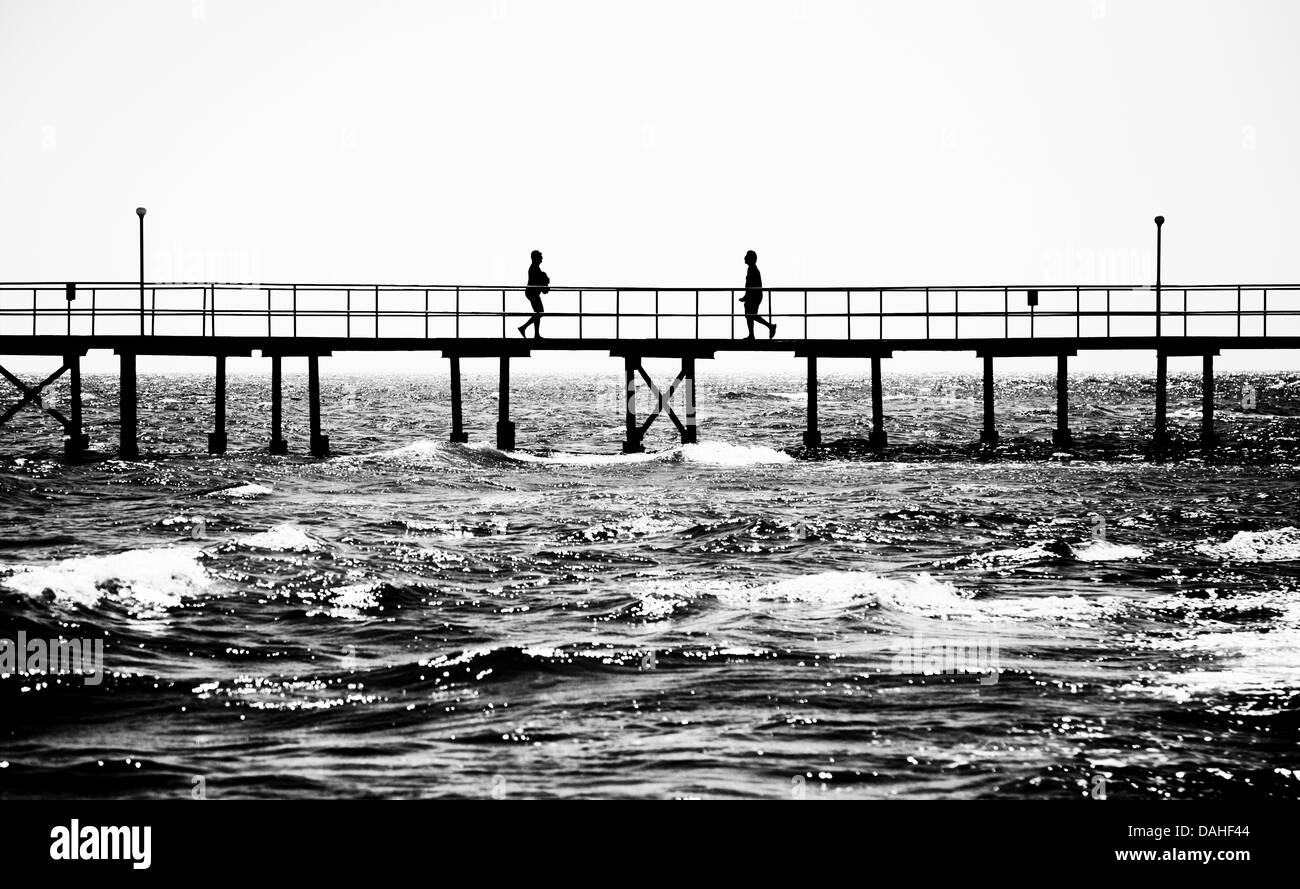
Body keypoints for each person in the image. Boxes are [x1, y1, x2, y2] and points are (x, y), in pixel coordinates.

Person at [740, 250, 777, 339]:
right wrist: (745, 297)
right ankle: (753, 334)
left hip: (754, 296)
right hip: (753, 295)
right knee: (750, 315)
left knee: (751, 314)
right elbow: (749, 286)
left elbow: (752, 285)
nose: (744, 258)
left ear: (751, 259)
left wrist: (747, 296)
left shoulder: (753, 270)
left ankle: (769, 326)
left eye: (746, 256)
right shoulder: (751, 269)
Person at [518, 250, 549, 338]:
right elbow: (538, 281)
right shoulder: (534, 268)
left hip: (533, 293)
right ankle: (524, 328)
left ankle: (535, 333)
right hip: (532, 293)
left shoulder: (536, 268)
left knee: (538, 312)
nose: (542, 259)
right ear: (536, 258)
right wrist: (544, 280)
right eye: (540, 257)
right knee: (539, 312)